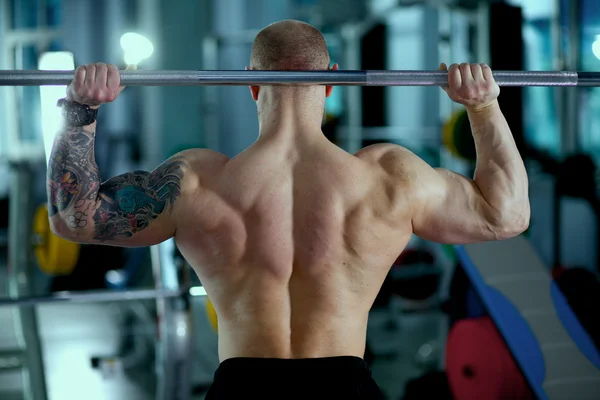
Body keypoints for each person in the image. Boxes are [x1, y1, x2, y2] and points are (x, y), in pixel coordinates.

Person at [47, 19, 529, 399]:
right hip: (346, 389)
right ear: (333, 83)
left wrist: (80, 110)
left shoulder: (196, 181)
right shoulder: (389, 177)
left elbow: (74, 220)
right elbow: (505, 216)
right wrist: (483, 107)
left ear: (252, 84)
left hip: (243, 388)